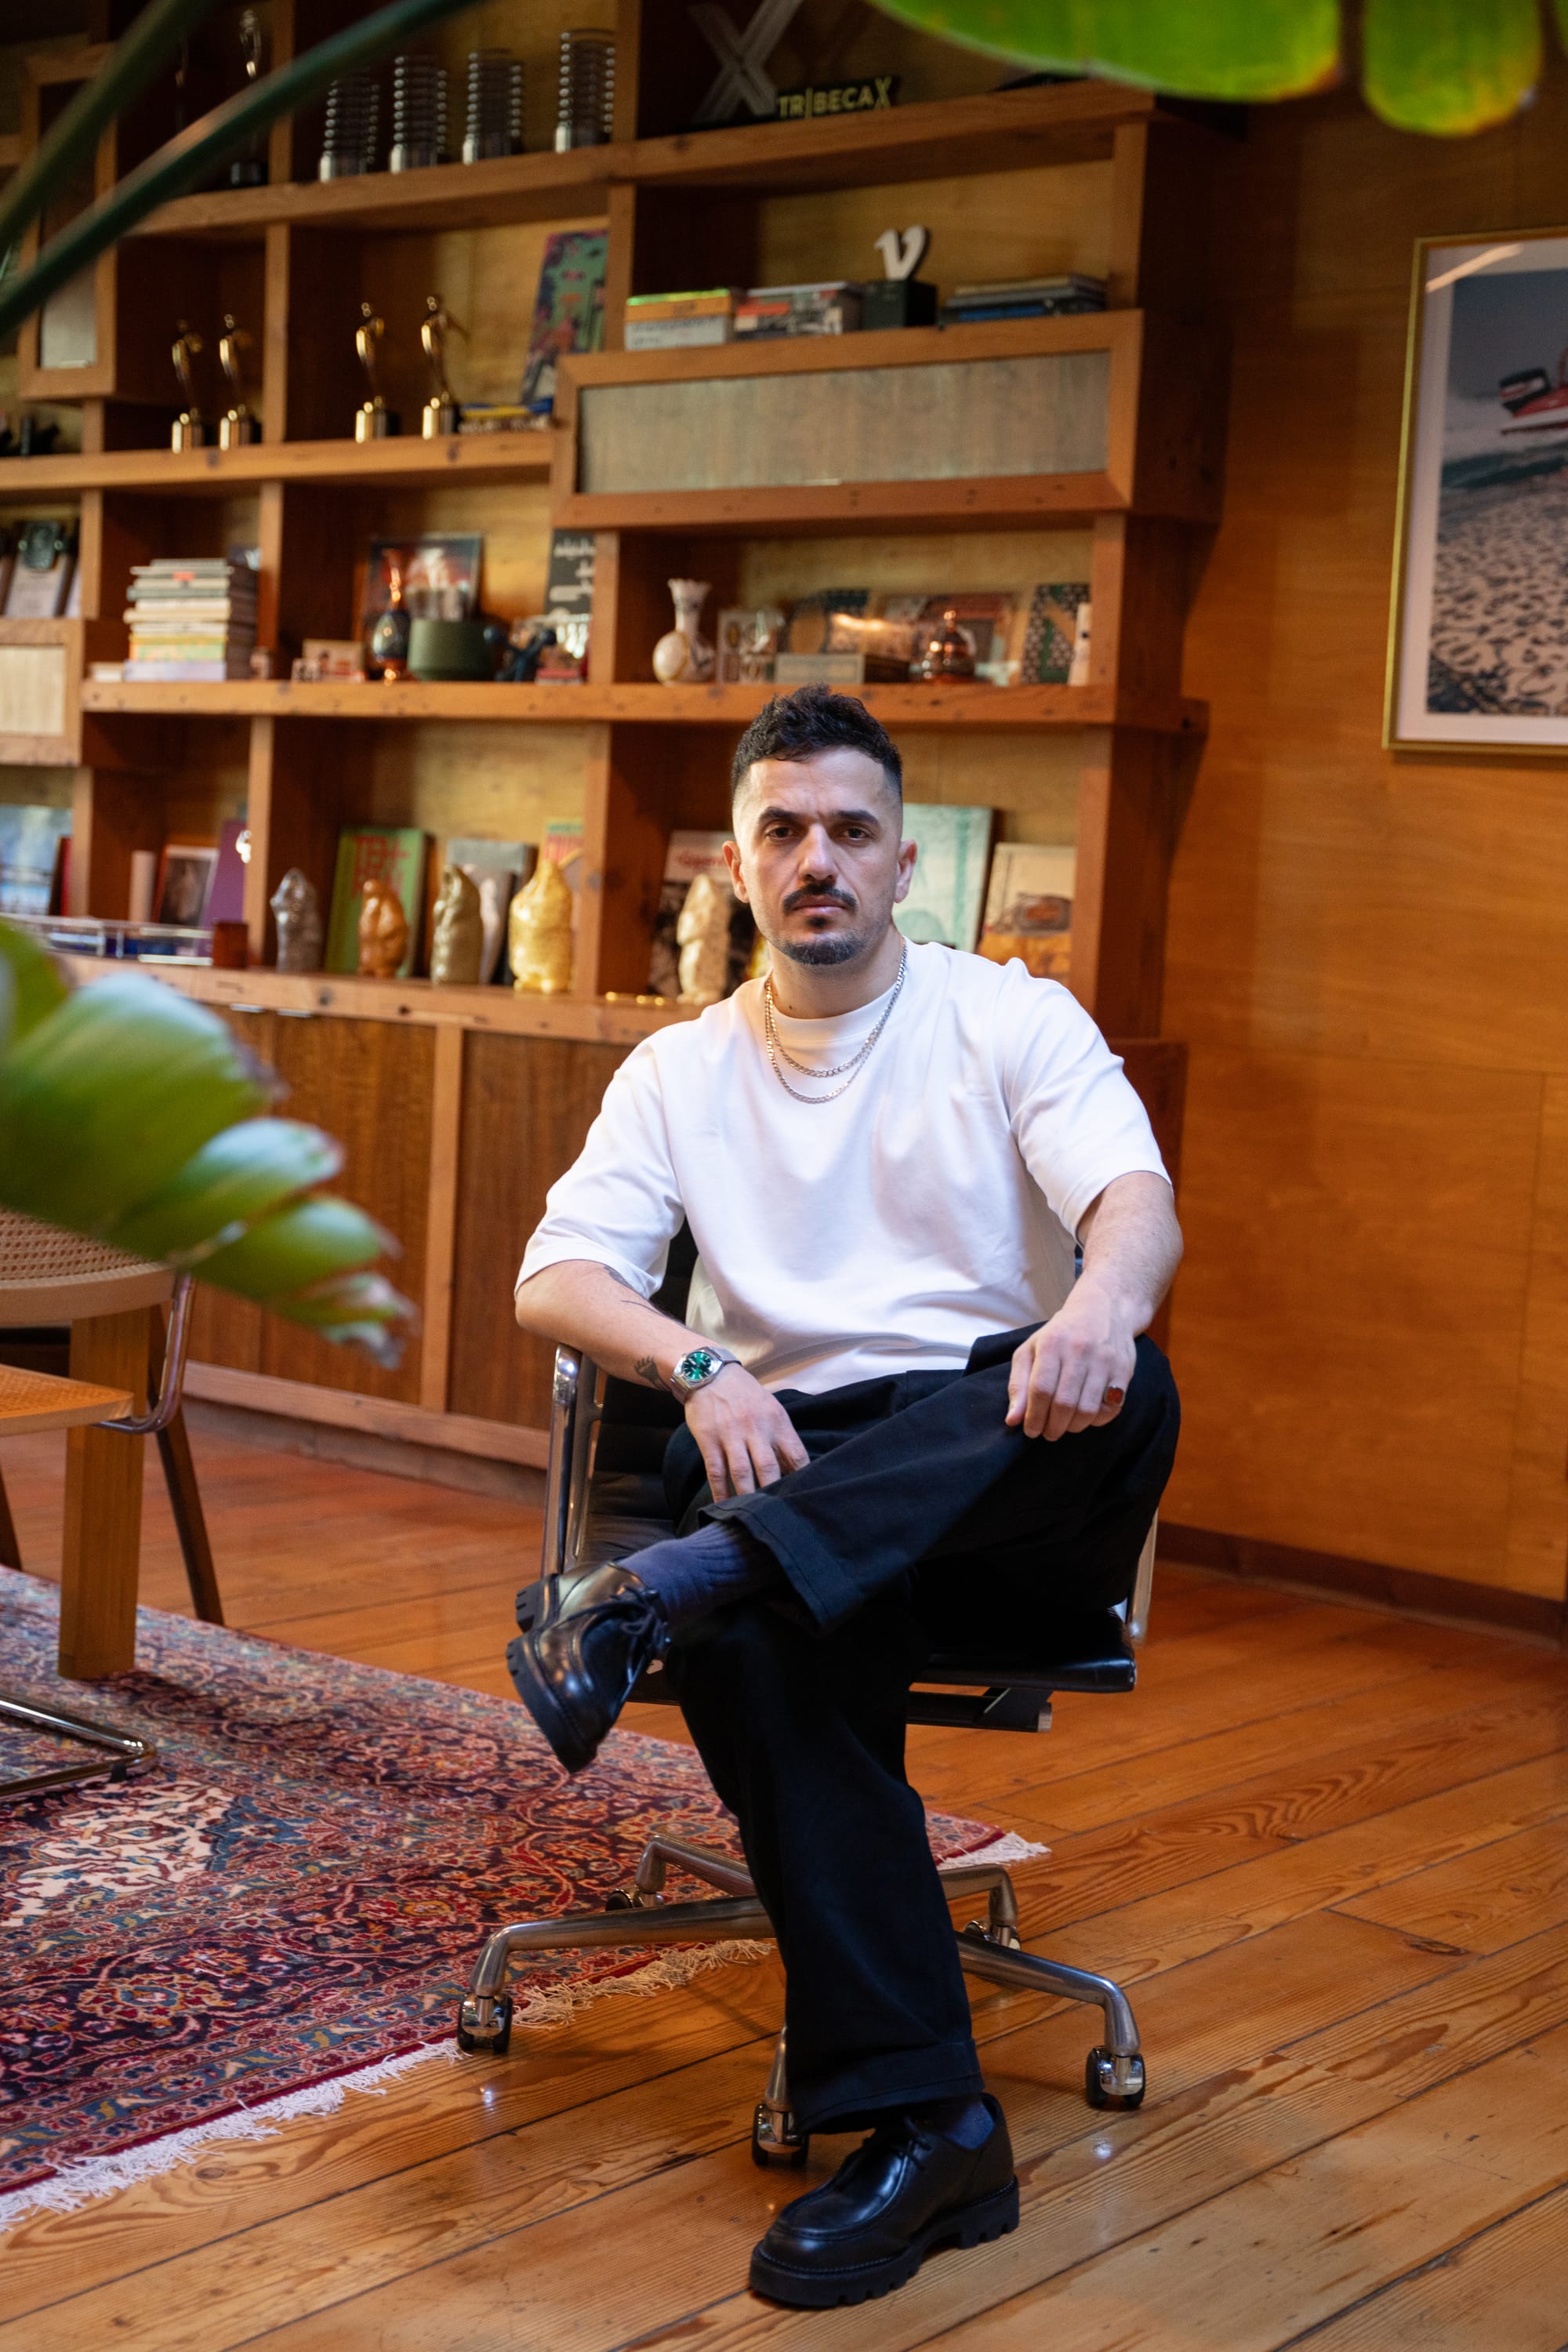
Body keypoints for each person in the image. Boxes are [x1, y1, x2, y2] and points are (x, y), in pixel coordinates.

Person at [510, 684, 1182, 2310]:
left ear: (902, 861)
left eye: (852, 831)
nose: (819, 859)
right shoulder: (679, 1069)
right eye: (785, 832)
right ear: (740, 865)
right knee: (773, 1625)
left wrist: (1100, 1306)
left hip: (986, 1481)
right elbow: (556, 1276)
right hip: (782, 1455)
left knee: (1133, 1386)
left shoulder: (1008, 1018)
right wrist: (698, 1367)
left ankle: (677, 1587)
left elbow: (1133, 1198)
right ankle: (933, 2131)